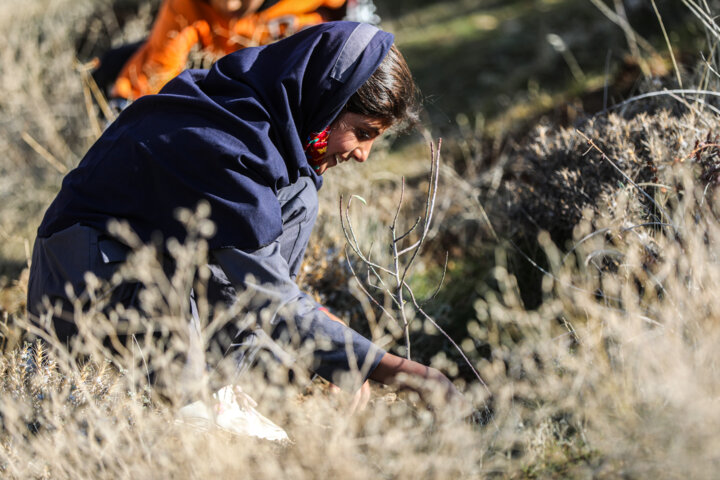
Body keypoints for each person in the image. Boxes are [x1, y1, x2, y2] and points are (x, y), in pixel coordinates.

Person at [28, 22, 465, 411]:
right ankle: (196, 401)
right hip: (89, 287)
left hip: (156, 287)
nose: (363, 154)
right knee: (197, 430)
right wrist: (391, 369)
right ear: (327, 99)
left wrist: (330, 352)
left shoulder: (272, 139)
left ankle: (219, 388)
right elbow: (265, 294)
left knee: (299, 197)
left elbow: (261, 287)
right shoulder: (226, 143)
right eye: (363, 133)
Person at [100, 0, 348, 102]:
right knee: (109, 67)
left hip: (279, 79)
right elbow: (158, 71)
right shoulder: (186, 6)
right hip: (211, 69)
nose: (231, 4)